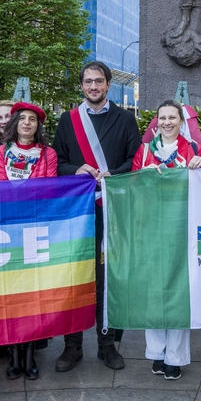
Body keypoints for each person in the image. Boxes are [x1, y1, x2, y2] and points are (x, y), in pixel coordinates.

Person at [51, 61, 142, 372]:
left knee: (108, 279)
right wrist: (74, 170)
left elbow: (136, 160)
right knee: (74, 278)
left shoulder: (126, 120)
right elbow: (57, 162)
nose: (93, 86)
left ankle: (107, 344)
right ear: (82, 86)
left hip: (112, 211)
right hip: (77, 215)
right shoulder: (68, 120)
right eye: (88, 82)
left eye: (99, 81)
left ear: (108, 85)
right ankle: (72, 346)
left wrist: (112, 175)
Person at [133, 100, 201, 380]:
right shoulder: (144, 152)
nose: (166, 122)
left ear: (181, 122)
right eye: (162, 117)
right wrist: (143, 176)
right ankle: (156, 351)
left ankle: (175, 357)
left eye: (172, 118)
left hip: (182, 227)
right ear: (156, 122)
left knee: (178, 291)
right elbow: (133, 187)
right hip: (151, 229)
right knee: (154, 292)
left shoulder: (191, 148)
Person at [0, 101, 58, 381]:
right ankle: (14, 356)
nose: (27, 123)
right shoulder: (0, 152)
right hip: (8, 231)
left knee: (33, 296)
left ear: (38, 125)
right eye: (23, 119)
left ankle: (30, 356)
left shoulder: (48, 153)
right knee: (12, 294)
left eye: (32, 119)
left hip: (36, 230)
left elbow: (48, 189)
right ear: (15, 123)